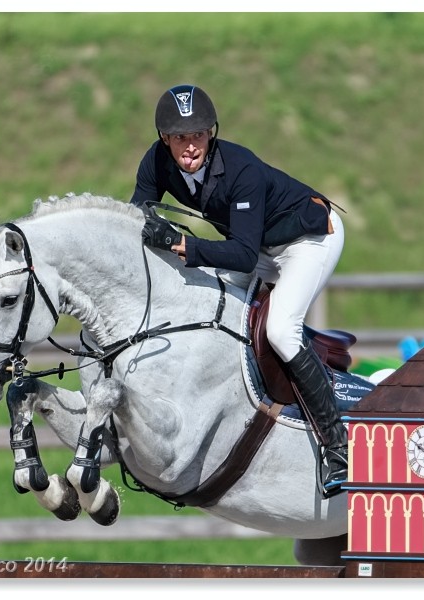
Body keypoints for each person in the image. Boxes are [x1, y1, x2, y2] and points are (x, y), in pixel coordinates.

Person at [130, 84, 347, 496]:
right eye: (179, 137)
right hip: (261, 245)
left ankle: (337, 448)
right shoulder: (155, 163)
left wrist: (181, 244)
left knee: (281, 329)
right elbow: (137, 215)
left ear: (211, 134)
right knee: (201, 299)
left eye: (196, 135)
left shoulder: (241, 170)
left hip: (307, 241)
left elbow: (244, 257)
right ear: (164, 139)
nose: (189, 146)